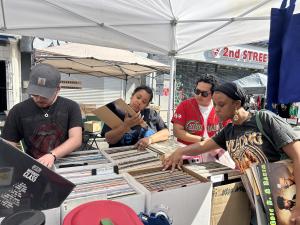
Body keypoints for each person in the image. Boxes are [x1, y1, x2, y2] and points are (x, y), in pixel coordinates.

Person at [163, 82, 300, 224]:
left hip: (287, 196)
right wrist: (180, 151)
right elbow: (204, 145)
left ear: (236, 104)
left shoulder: (265, 120)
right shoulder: (229, 131)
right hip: (258, 202)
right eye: (214, 104)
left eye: (221, 105)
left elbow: (298, 156)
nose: (216, 109)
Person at [2, 63, 82, 168]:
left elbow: (76, 139)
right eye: (35, 94)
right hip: (34, 167)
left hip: (66, 165)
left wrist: (52, 155)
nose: (39, 99)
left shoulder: (71, 107)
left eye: (44, 96)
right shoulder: (18, 110)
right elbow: (8, 145)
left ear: (58, 89)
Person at [172, 74, 234, 166]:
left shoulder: (220, 108)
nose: (199, 96)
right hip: (187, 152)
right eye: (197, 91)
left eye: (204, 94)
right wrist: (202, 140)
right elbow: (177, 132)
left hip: (212, 155)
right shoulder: (185, 105)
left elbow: (228, 132)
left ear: (213, 94)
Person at [101, 85, 169, 149]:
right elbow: (109, 140)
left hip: (144, 156)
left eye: (144, 102)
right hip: (118, 155)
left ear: (146, 105)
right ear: (132, 96)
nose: (139, 102)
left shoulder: (151, 114)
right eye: (138, 97)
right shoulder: (116, 111)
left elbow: (166, 132)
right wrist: (125, 126)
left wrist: (150, 139)